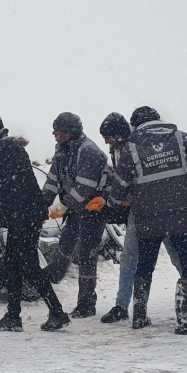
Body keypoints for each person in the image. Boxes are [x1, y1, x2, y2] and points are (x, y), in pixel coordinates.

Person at [101, 112, 187, 324]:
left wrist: (115, 201)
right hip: (180, 211)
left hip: (147, 214)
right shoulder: (181, 137)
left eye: (109, 137)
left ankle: (137, 315)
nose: (107, 142)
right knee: (185, 260)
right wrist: (176, 186)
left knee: (140, 261)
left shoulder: (133, 145)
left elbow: (121, 185)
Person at [0, 110, 71, 332]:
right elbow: (19, 185)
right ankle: (14, 315)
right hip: (25, 215)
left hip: (23, 217)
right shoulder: (7, 147)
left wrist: (5, 211)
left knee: (27, 265)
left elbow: (14, 188)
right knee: (13, 264)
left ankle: (56, 312)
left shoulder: (5, 149)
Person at [42, 112, 109, 318]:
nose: (54, 133)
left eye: (58, 130)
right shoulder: (62, 149)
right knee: (65, 244)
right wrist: (42, 202)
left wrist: (62, 205)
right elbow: (53, 178)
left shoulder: (88, 151)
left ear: (70, 132)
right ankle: (50, 279)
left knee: (87, 255)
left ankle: (87, 303)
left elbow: (85, 188)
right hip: (75, 210)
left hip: (93, 210)